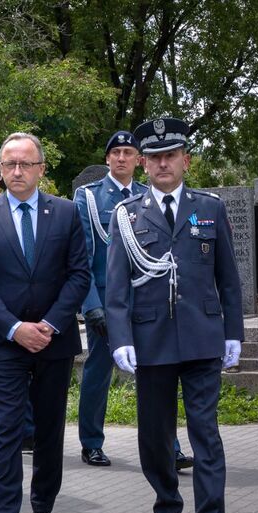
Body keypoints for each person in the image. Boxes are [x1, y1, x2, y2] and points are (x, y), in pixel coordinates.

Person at [106, 118, 243, 513]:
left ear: (186, 159)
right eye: (155, 157)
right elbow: (116, 286)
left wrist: (233, 331)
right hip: (151, 341)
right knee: (154, 439)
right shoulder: (127, 215)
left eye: (171, 156)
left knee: (206, 434)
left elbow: (229, 279)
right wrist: (120, 338)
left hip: (203, 338)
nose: (163, 164)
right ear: (144, 164)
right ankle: (168, 511)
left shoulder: (210, 207)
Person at [0, 132, 89, 513]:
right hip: (4, 343)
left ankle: (43, 510)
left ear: (41, 169)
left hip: (55, 342)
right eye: (9, 165)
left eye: (25, 164)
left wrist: (50, 325)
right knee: (6, 431)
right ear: (0, 170)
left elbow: (78, 275)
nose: (17, 171)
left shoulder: (68, 213)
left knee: (50, 430)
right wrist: (16, 328)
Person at [73, 132, 194, 470]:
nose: (122, 158)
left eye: (128, 152)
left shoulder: (148, 195)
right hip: (108, 303)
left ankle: (169, 446)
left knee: (158, 374)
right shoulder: (90, 197)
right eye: (116, 152)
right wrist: (91, 305)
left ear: (139, 159)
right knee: (98, 373)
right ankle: (91, 442)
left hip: (147, 302)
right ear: (108, 159)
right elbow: (82, 257)